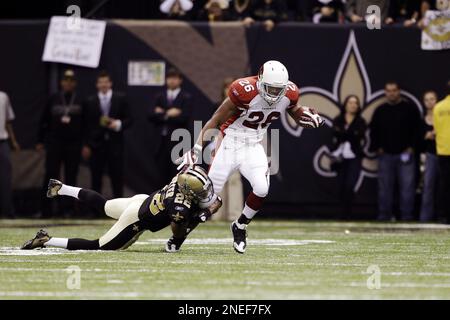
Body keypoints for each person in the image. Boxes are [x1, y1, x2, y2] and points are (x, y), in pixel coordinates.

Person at [177, 60, 324, 253]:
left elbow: (295, 113)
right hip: (230, 143)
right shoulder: (243, 89)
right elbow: (217, 119)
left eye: (277, 89)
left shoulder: (289, 92)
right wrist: (196, 149)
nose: (273, 94)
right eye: (270, 88)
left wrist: (309, 119)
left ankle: (240, 225)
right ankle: (179, 236)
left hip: (254, 145)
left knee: (262, 188)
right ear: (260, 81)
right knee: (205, 198)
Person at [21, 166, 222, 252]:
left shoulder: (182, 179)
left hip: (141, 201)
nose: (205, 192)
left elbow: (214, 200)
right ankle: (46, 240)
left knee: (105, 205)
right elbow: (178, 230)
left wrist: (205, 211)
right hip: (136, 218)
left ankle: (62, 188)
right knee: (99, 246)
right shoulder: (179, 206)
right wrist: (201, 217)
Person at [37, 69, 88, 217]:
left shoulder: (81, 100)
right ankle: (46, 209)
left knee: (71, 176)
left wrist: (85, 144)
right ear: (61, 83)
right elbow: (43, 121)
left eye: (71, 81)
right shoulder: (53, 98)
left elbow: (86, 124)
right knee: (51, 175)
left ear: (75, 83)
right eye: (66, 80)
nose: (68, 83)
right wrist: (40, 140)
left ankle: (68, 210)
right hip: (55, 143)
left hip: (74, 144)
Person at [370, 81, 422, 221]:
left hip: (406, 154)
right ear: (385, 93)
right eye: (388, 90)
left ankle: (407, 216)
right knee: (384, 189)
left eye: (394, 90)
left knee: (407, 189)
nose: (391, 93)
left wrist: (411, 147)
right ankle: (384, 216)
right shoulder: (380, 110)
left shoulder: (409, 109)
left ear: (399, 91)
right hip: (385, 155)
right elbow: (373, 131)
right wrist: (378, 147)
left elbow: (417, 130)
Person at [84, 71, 132, 200]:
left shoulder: (120, 98)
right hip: (96, 145)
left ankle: (118, 208)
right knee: (96, 177)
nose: (103, 84)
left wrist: (117, 124)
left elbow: (130, 119)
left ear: (110, 83)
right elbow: (86, 124)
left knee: (117, 176)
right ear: (97, 85)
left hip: (115, 145)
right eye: (101, 82)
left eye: (106, 82)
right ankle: (94, 210)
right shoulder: (90, 101)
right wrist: (87, 144)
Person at [148, 68, 193, 188]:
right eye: (169, 78)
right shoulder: (159, 96)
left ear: (180, 80)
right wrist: (169, 113)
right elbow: (151, 115)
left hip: (178, 142)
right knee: (160, 173)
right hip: (160, 141)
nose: (172, 81)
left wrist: (161, 113)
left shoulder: (186, 97)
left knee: (177, 173)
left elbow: (183, 118)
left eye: (175, 78)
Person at [330, 95, 367, 219]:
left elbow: (357, 136)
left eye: (355, 103)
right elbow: (335, 135)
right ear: (345, 104)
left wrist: (345, 133)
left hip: (354, 157)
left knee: (350, 184)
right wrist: (349, 134)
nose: (353, 105)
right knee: (340, 184)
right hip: (340, 157)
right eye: (350, 102)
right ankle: (340, 213)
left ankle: (348, 213)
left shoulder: (360, 121)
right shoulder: (338, 119)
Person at [419, 91, 439, 222]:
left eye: (432, 99)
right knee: (428, 187)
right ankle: (425, 218)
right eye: (427, 100)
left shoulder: (444, 117)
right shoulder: (421, 120)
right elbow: (417, 139)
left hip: (445, 154)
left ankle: (443, 216)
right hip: (429, 155)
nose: (430, 102)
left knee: (443, 187)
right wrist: (426, 136)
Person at [0, 91, 20, 217]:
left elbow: (8, 121)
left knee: (5, 178)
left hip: (2, 141)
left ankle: (7, 212)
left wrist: (13, 141)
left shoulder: (3, 96)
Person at [433, 81, 450, 224]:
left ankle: (442, 215)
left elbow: (436, 129)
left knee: (444, 184)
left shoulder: (438, 107)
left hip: (443, 150)